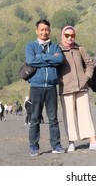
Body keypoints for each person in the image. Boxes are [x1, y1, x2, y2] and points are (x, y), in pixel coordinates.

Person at [58, 25, 96, 152]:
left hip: (82, 87)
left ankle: (93, 141)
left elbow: (90, 63)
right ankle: (71, 142)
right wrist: (60, 80)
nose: (70, 38)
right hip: (66, 88)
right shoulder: (57, 50)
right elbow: (53, 67)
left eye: (72, 35)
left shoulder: (79, 49)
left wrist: (86, 78)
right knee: (68, 116)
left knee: (86, 114)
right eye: (67, 35)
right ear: (62, 35)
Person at [25, 19, 65, 156]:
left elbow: (59, 60)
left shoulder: (55, 47)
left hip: (51, 87)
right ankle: (34, 146)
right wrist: (49, 58)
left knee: (53, 118)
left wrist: (41, 58)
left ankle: (56, 145)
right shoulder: (30, 46)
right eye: (41, 29)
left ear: (50, 31)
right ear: (37, 31)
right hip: (36, 86)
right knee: (35, 117)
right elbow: (31, 61)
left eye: (46, 29)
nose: (44, 32)